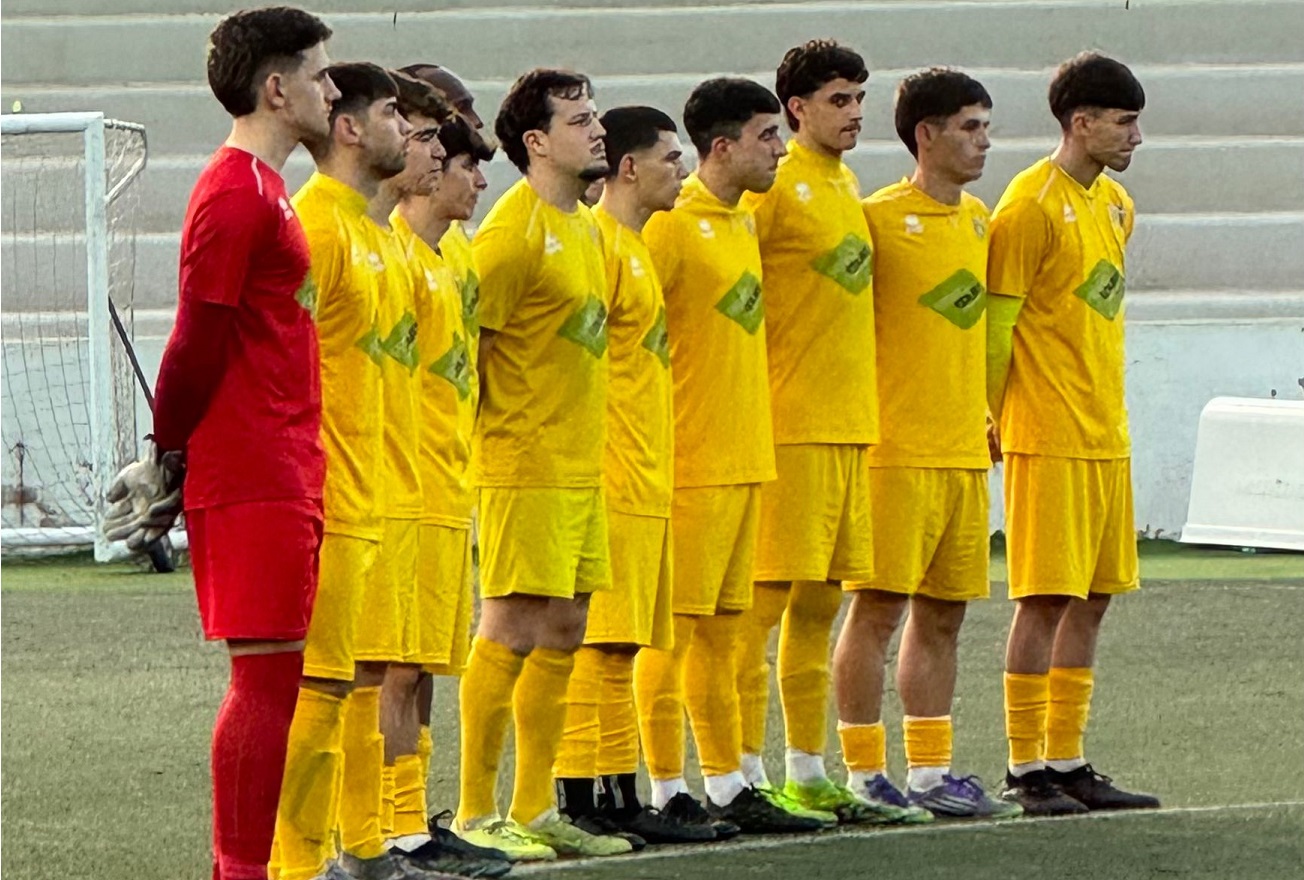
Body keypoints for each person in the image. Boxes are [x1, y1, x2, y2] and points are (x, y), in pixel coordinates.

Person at [100, 9, 339, 879]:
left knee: (281, 678)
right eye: (319, 74)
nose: (333, 90)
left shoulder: (265, 189)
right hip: (252, 466)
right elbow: (194, 340)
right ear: (276, 88)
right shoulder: (236, 192)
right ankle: (239, 871)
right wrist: (167, 450)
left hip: (280, 459)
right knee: (265, 681)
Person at [451, 68, 631, 861]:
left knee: (567, 627)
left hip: (580, 463)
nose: (598, 130)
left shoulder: (584, 226)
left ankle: (535, 805)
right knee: (510, 628)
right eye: (580, 120)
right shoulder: (510, 234)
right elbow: (471, 349)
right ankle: (474, 811)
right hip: (523, 463)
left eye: (596, 116)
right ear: (537, 141)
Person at [636, 77, 822, 835]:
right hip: (691, 461)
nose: (780, 149)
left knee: (724, 634)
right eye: (767, 136)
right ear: (722, 146)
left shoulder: (741, 221)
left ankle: (725, 781)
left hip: (746, 456)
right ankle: (663, 787)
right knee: (673, 633)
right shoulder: (669, 227)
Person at [835, 67, 1019, 821]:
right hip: (896, 452)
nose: (984, 142)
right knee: (876, 612)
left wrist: (984, 414)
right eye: (971, 128)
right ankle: (861, 771)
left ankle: (931, 771)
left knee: (945, 615)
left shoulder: (979, 221)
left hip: (962, 451)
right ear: (926, 135)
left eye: (987, 127)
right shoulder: (876, 220)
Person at [274, 62, 435, 880]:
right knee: (321, 683)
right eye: (394, 117)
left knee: (364, 676)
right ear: (349, 129)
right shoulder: (318, 227)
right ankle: (294, 864)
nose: (406, 133)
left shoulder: (375, 236)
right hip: (332, 494)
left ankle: (364, 846)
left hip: (380, 491)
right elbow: (277, 362)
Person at [987, 51, 1160, 815]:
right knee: (1044, 599)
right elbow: (997, 326)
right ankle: (1025, 766)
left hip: (1104, 432)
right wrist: (990, 412)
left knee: (1092, 599)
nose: (1136, 137)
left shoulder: (1116, 205)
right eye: (1125, 122)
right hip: (1046, 431)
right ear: (1080, 123)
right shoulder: (1027, 206)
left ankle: (1068, 758)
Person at [730, 40, 883, 825]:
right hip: (789, 423)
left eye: (859, 99)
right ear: (796, 109)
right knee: (759, 608)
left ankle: (807, 768)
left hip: (849, 424)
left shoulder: (845, 183)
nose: (855, 114)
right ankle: (737, 772)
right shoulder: (773, 187)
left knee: (820, 606)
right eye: (839, 100)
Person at [551, 105, 709, 847]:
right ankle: (582, 794)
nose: (682, 170)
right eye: (670, 158)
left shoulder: (637, 247)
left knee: (622, 647)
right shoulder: (599, 246)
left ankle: (618, 793)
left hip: (648, 475)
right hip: (610, 474)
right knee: (597, 646)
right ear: (628, 167)